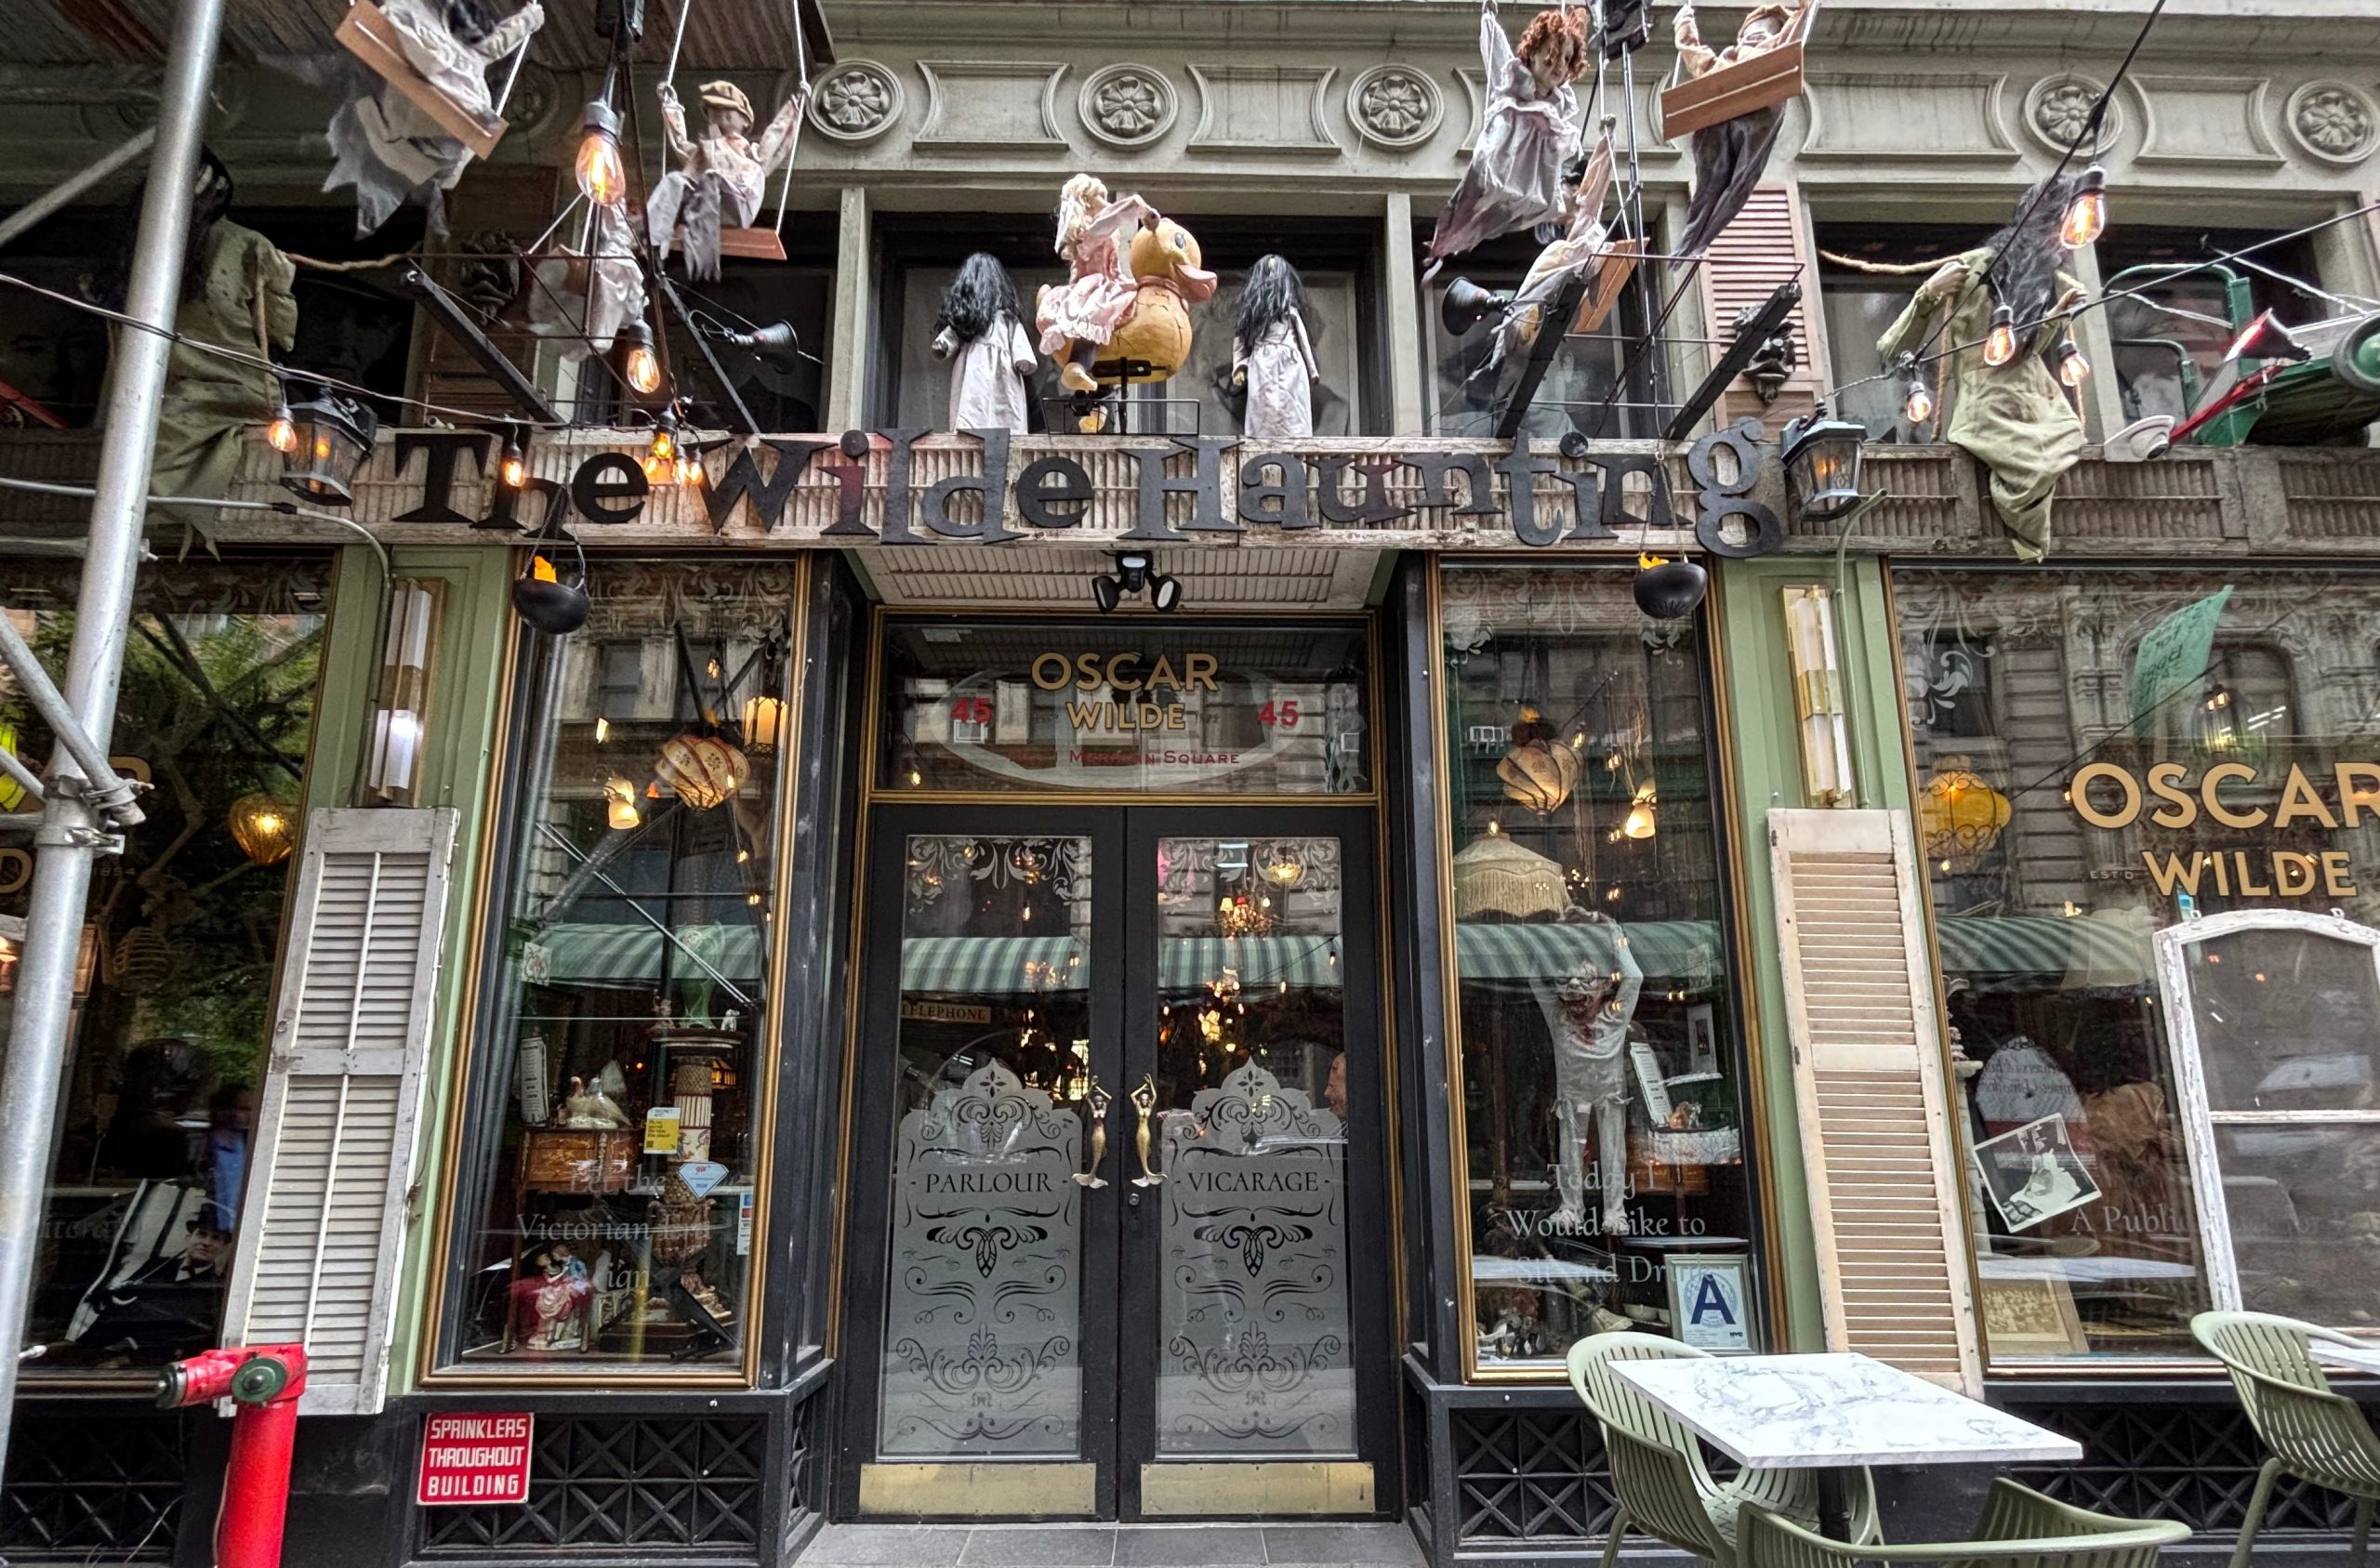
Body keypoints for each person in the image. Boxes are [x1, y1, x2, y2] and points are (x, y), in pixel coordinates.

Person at [1875, 176, 2088, 559]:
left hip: (2042, 400)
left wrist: (2057, 315)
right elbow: (1892, 347)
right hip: (1988, 401)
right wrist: (1928, 294)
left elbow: (2026, 351)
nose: (2060, 241)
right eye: (2059, 226)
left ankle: (2031, 542)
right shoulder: (1973, 269)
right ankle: (2029, 543)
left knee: (2062, 443)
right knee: (2035, 467)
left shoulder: (2053, 280)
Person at [1423, 0, 1589, 272]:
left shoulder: (1558, 103)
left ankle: (1445, 245)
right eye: (1553, 54)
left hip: (1531, 184)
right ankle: (1442, 243)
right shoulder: (1514, 81)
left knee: (1515, 212)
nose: (1559, 65)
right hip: (1501, 163)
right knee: (1472, 201)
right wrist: (1489, 19)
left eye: (1566, 59)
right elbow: (1496, 51)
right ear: (1533, 53)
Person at [1672, 2, 1803, 257]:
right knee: (1709, 186)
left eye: (1763, 34)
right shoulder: (1725, 61)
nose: (1755, 38)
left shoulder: (1774, 54)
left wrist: (1804, 10)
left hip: (1755, 121)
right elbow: (1695, 55)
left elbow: (1794, 33)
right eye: (1750, 34)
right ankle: (1689, 244)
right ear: (1741, 37)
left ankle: (1700, 241)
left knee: (1738, 184)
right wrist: (1684, 22)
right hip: (1720, 121)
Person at [648, 80, 805, 280]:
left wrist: (793, 109)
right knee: (675, 180)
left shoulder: (750, 152)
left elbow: (775, 137)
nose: (719, 114)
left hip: (737, 205)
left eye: (726, 110)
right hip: (704, 204)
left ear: (744, 120)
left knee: (712, 178)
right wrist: (671, 106)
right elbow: (680, 143)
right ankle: (652, 240)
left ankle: (701, 241)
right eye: (714, 110)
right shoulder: (704, 151)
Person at [1035, 174, 1156, 392]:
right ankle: (1075, 367)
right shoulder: (1089, 231)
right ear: (1086, 200)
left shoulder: (1095, 228)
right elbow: (1112, 218)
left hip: (1111, 282)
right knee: (1094, 314)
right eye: (1099, 195)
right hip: (1094, 286)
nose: (1105, 201)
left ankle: (1095, 384)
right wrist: (1140, 207)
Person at [932, 254, 1039, 433]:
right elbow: (950, 336)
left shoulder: (1006, 319)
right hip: (975, 373)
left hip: (1001, 373)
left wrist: (1022, 358)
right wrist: (943, 344)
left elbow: (1018, 340)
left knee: (1002, 407)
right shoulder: (967, 321)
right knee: (974, 407)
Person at [1230, 255, 1321, 441]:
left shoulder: (1290, 312)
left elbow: (1303, 340)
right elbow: (1240, 342)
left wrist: (1312, 371)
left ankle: (1295, 446)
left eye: (1274, 272)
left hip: (1291, 365)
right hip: (1262, 366)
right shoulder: (1252, 314)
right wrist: (1240, 366)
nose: (1271, 277)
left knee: (1294, 411)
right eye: (1268, 272)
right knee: (1263, 411)